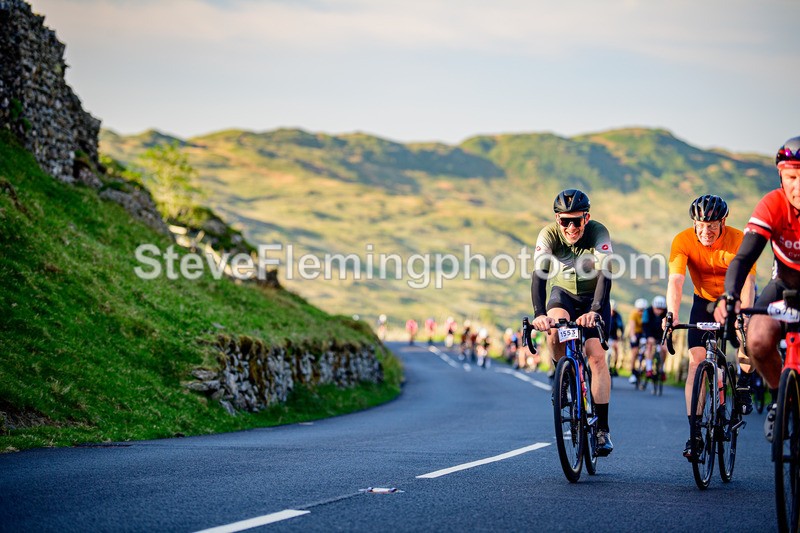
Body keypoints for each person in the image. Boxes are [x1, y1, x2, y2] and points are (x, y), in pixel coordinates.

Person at [714, 136, 800, 442]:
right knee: (758, 340)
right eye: (792, 177)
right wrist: (730, 297)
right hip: (784, 285)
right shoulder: (773, 204)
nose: (798, 187)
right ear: (781, 177)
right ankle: (781, 399)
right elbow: (744, 257)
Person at [669, 194, 756, 458]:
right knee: (697, 363)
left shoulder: (738, 239)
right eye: (701, 225)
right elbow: (676, 281)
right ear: (694, 222)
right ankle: (695, 436)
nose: (706, 231)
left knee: (747, 338)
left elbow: (748, 282)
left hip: (735, 299)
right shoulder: (683, 240)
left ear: (723, 222)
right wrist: (671, 316)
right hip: (704, 301)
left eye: (712, 225)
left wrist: (745, 316)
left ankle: (743, 384)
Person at [530, 189, 615, 456]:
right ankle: (561, 375)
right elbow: (539, 276)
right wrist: (539, 314)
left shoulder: (599, 232)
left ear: (586, 218)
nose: (570, 227)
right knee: (554, 332)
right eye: (564, 221)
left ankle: (602, 429)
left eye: (575, 221)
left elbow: (605, 275)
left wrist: (596, 310)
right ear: (557, 220)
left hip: (594, 299)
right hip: (563, 294)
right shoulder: (548, 234)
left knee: (597, 357)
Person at [642, 295, 667, 379]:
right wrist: (648, 336)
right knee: (649, 346)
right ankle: (649, 369)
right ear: (653, 306)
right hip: (650, 333)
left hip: (661, 335)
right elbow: (645, 325)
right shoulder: (647, 311)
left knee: (664, 349)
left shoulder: (666, 312)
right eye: (657, 308)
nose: (659, 311)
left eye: (661, 309)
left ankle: (662, 369)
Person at [627, 298, 648, 384]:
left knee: (646, 349)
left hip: (644, 333)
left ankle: (644, 366)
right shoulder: (633, 314)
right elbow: (632, 327)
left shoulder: (647, 314)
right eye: (640, 310)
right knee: (634, 352)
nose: (641, 312)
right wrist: (633, 337)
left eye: (643, 310)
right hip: (635, 333)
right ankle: (632, 373)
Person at [607, 299, 625, 376]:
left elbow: (621, 326)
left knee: (616, 350)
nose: (612, 312)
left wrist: (621, 336)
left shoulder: (618, 316)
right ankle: (606, 367)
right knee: (606, 352)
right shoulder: (605, 314)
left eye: (613, 311)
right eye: (611, 310)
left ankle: (614, 366)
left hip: (614, 337)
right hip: (605, 336)